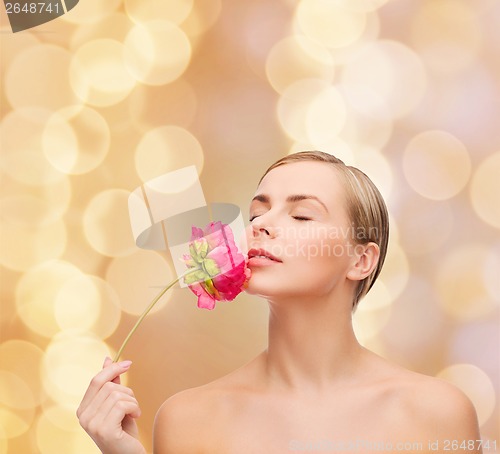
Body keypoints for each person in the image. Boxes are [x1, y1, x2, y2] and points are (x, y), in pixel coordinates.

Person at [77, 151, 482, 454]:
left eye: (302, 216)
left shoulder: (435, 413)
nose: (261, 226)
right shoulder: (187, 419)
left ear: (361, 260)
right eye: (257, 213)